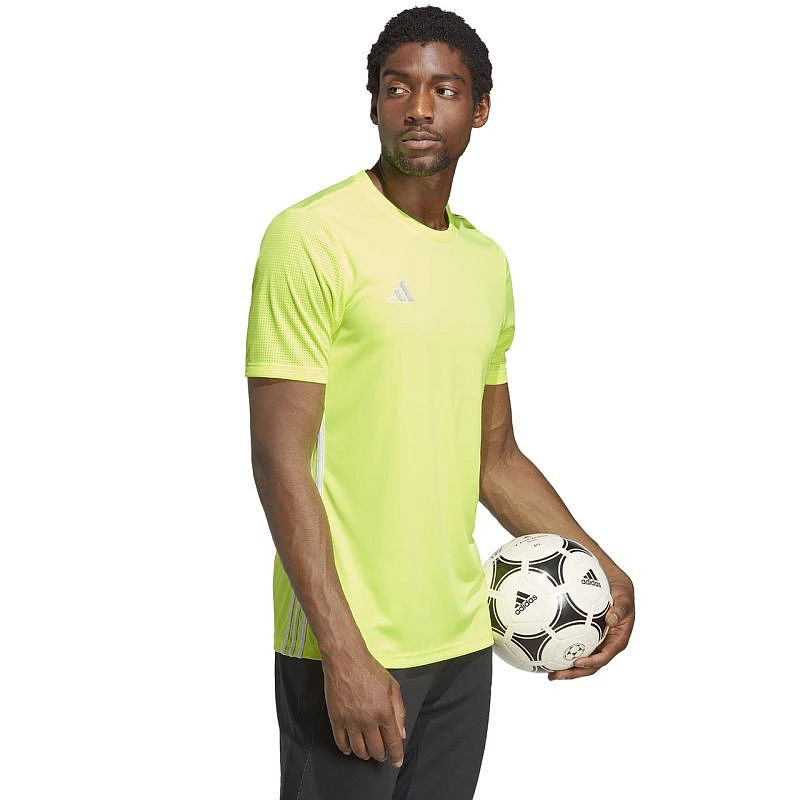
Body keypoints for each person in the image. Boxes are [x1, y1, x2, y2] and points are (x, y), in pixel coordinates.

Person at [245, 6, 635, 799]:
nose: (419, 108)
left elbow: (493, 456)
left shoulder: (484, 263)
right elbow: (279, 458)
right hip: (348, 646)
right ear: (374, 104)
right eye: (398, 88)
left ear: (479, 109)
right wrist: (343, 651)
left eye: (444, 90)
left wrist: (602, 566)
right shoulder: (312, 236)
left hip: (463, 641)